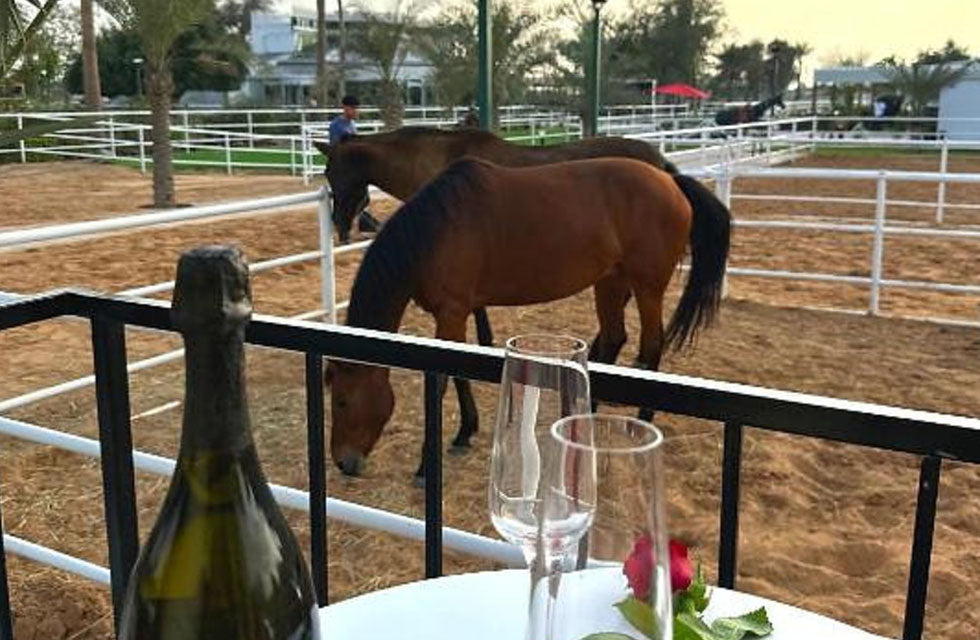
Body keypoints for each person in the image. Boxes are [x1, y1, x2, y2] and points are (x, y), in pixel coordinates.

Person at [328, 94, 380, 234]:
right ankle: (348, 227)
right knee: (346, 199)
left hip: (352, 168)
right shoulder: (336, 126)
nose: (357, 111)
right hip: (343, 169)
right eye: (353, 108)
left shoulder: (351, 125)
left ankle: (363, 224)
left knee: (362, 197)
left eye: (357, 108)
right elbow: (336, 148)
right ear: (345, 108)